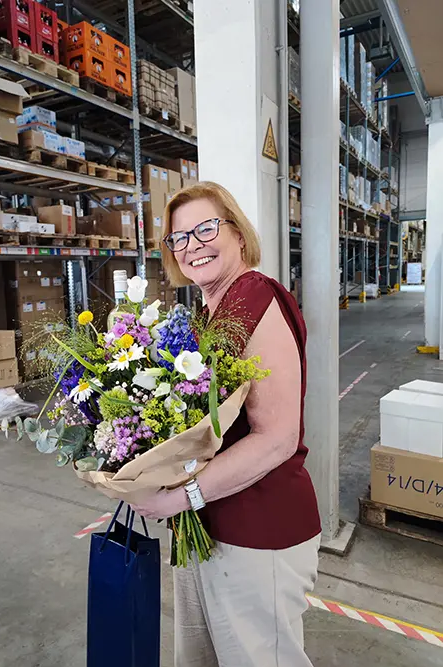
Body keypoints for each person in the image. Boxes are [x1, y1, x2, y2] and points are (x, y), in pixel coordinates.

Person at [132, 181, 322, 667]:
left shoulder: (257, 296)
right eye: (179, 237)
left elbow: (277, 439)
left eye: (206, 228)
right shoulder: (206, 316)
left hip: (258, 528)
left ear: (238, 233)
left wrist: (178, 497)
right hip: (207, 526)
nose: (192, 245)